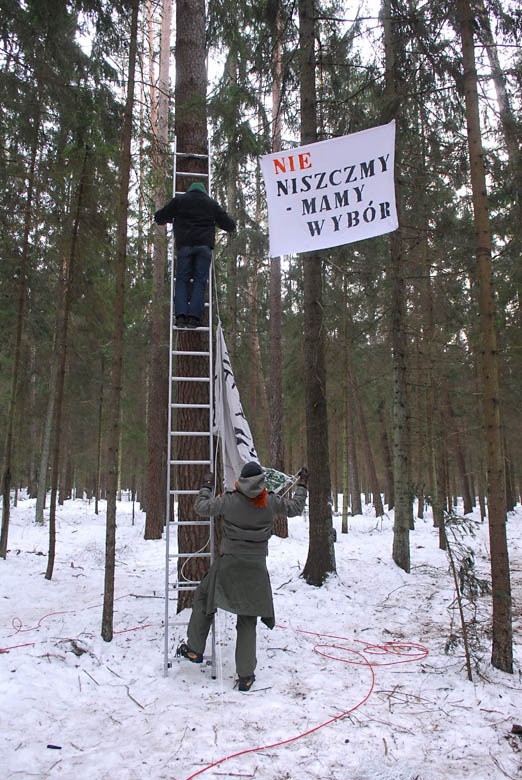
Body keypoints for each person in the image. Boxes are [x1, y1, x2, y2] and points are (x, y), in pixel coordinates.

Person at [176, 461, 309, 691]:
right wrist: (303, 485)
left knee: (205, 598)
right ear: (261, 481)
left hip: (228, 564)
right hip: (256, 568)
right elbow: (296, 508)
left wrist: (206, 486)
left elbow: (201, 507)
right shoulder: (270, 501)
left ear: (243, 480)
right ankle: (245, 676)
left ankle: (194, 649)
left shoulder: (230, 500)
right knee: (248, 619)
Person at [154, 182, 235, 328]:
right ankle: (193, 318)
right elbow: (230, 225)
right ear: (203, 191)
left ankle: (180, 317)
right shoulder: (211, 204)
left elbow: (159, 217)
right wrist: (214, 221)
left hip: (185, 246)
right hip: (204, 247)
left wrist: (172, 219)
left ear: (190, 190)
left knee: (182, 280)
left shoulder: (179, 201)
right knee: (200, 281)